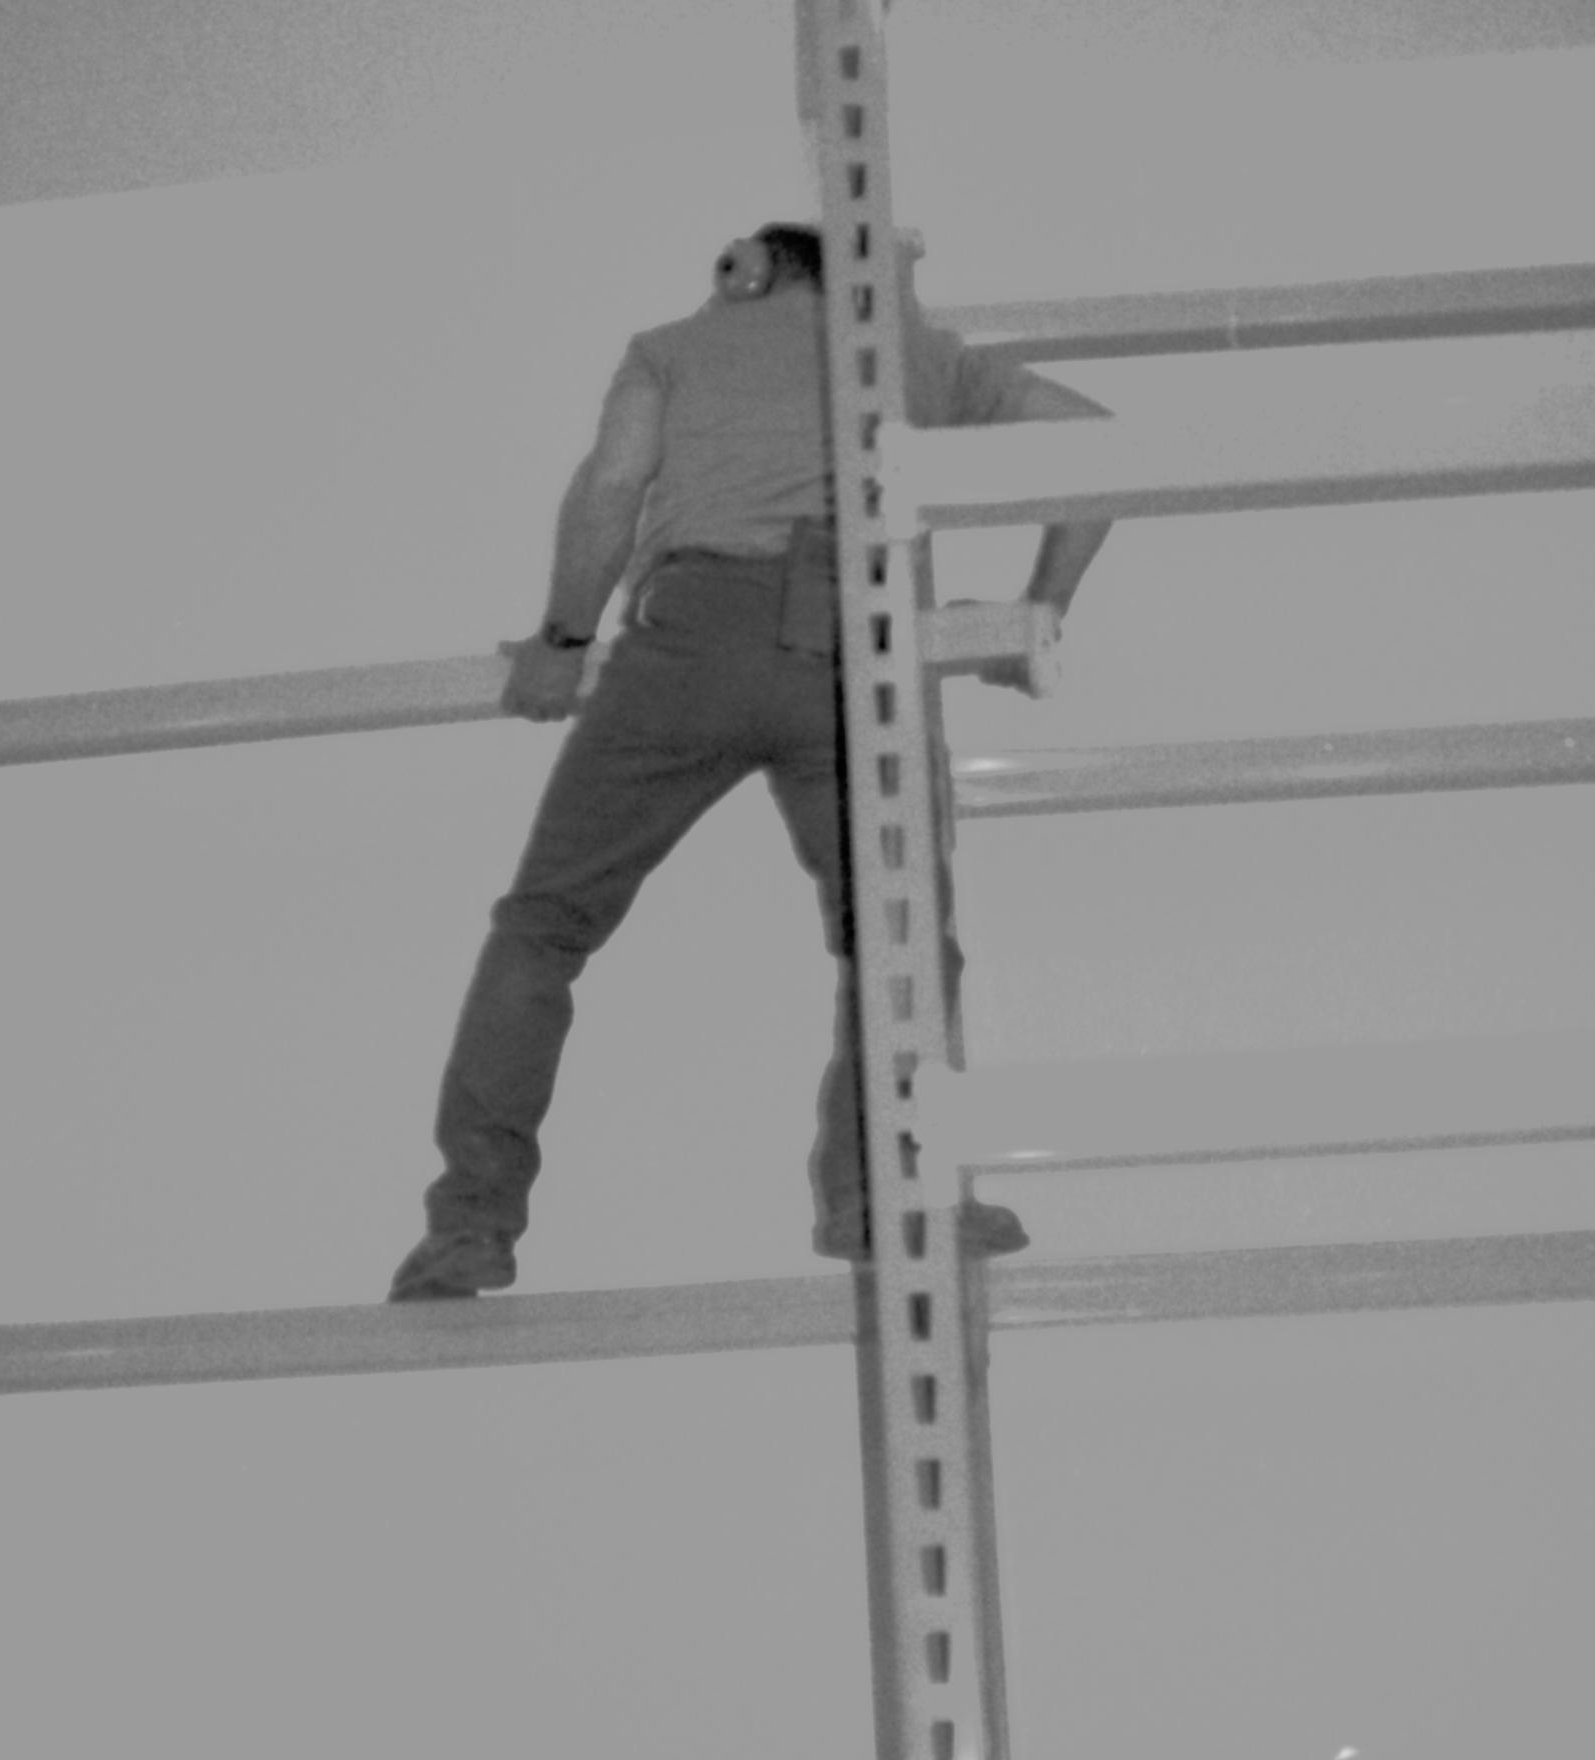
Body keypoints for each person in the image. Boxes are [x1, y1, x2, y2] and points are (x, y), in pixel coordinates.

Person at [386, 223, 1111, 1298]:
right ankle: (886, 1198)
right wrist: (1041, 607)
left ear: (750, 268)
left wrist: (563, 644)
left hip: (695, 635)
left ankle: (470, 1228)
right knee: (901, 945)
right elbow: (1095, 443)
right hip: (859, 649)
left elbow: (613, 483)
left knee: (545, 928)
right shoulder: (917, 352)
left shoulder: (674, 347)